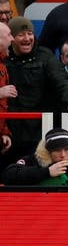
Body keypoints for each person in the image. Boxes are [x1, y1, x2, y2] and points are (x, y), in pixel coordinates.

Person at [6, 17, 68, 165]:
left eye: (30, 33)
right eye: (21, 35)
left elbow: (62, 81)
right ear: (11, 38)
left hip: (39, 129)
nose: (27, 38)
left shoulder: (45, 56)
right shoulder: (4, 57)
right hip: (10, 130)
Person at [1, 127, 68, 186]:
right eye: (57, 151)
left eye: (66, 150)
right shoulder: (36, 159)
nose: (63, 155)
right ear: (48, 151)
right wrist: (47, 172)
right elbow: (9, 174)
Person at [0, 22, 14, 169]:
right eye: (9, 35)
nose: (13, 39)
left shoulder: (2, 65)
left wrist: (4, 132)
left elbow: (3, 104)